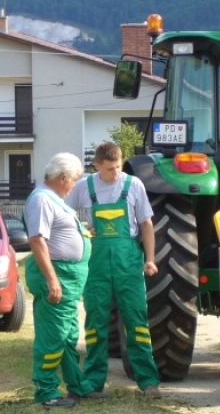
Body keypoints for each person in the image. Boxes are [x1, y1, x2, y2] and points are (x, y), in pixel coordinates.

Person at [66, 141, 162, 399]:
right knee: (96, 323)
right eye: (110, 169)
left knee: (136, 321)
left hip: (128, 262)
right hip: (96, 264)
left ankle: (148, 381)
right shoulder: (83, 187)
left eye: (118, 167)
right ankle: (93, 383)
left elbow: (146, 223)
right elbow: (62, 214)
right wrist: (82, 229)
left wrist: (150, 259)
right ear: (97, 166)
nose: (115, 173)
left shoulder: (134, 185)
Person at [23, 153, 93, 408]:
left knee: (68, 335)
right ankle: (46, 392)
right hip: (57, 277)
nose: (74, 185)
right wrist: (52, 280)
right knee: (53, 337)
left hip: (68, 279)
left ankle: (77, 385)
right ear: (63, 178)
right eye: (74, 180)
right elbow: (37, 240)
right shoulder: (41, 200)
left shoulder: (54, 199)